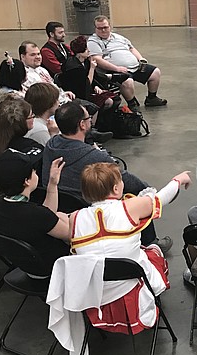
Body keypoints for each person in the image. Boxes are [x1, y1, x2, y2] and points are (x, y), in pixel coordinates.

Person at [69, 162, 191, 335]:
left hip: (95, 292)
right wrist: (178, 180)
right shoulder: (129, 207)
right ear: (117, 188)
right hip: (131, 286)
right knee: (153, 250)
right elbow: (162, 198)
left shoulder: (74, 218)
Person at [42, 101, 172, 250]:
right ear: (82, 125)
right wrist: (148, 191)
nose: (90, 119)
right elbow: (128, 181)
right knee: (134, 194)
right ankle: (150, 242)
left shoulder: (51, 146)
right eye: (88, 118)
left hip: (60, 207)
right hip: (89, 207)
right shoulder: (93, 157)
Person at [0, 149, 70, 272]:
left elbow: (46, 217)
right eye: (33, 170)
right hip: (53, 267)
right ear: (26, 181)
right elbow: (70, 234)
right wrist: (66, 218)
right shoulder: (34, 214)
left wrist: (52, 184)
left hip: (27, 266)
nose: (35, 172)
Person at [87, 15, 167, 109]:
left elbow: (131, 48)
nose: (103, 30)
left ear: (110, 26)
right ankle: (132, 104)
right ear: (95, 29)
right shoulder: (93, 42)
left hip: (135, 67)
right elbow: (97, 60)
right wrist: (117, 68)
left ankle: (152, 98)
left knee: (155, 72)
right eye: (100, 28)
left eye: (105, 27)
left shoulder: (118, 37)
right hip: (115, 69)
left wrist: (140, 58)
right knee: (127, 81)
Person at [0, 94, 44, 207]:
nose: (34, 117)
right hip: (24, 204)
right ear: (20, 122)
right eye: (31, 116)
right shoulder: (30, 147)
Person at [61, 35, 118, 115]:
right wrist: (92, 68)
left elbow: (93, 79)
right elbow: (86, 84)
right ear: (79, 53)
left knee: (114, 98)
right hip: (78, 95)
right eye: (86, 49)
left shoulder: (85, 61)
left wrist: (96, 86)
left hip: (88, 91)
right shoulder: (73, 67)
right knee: (108, 101)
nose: (88, 50)